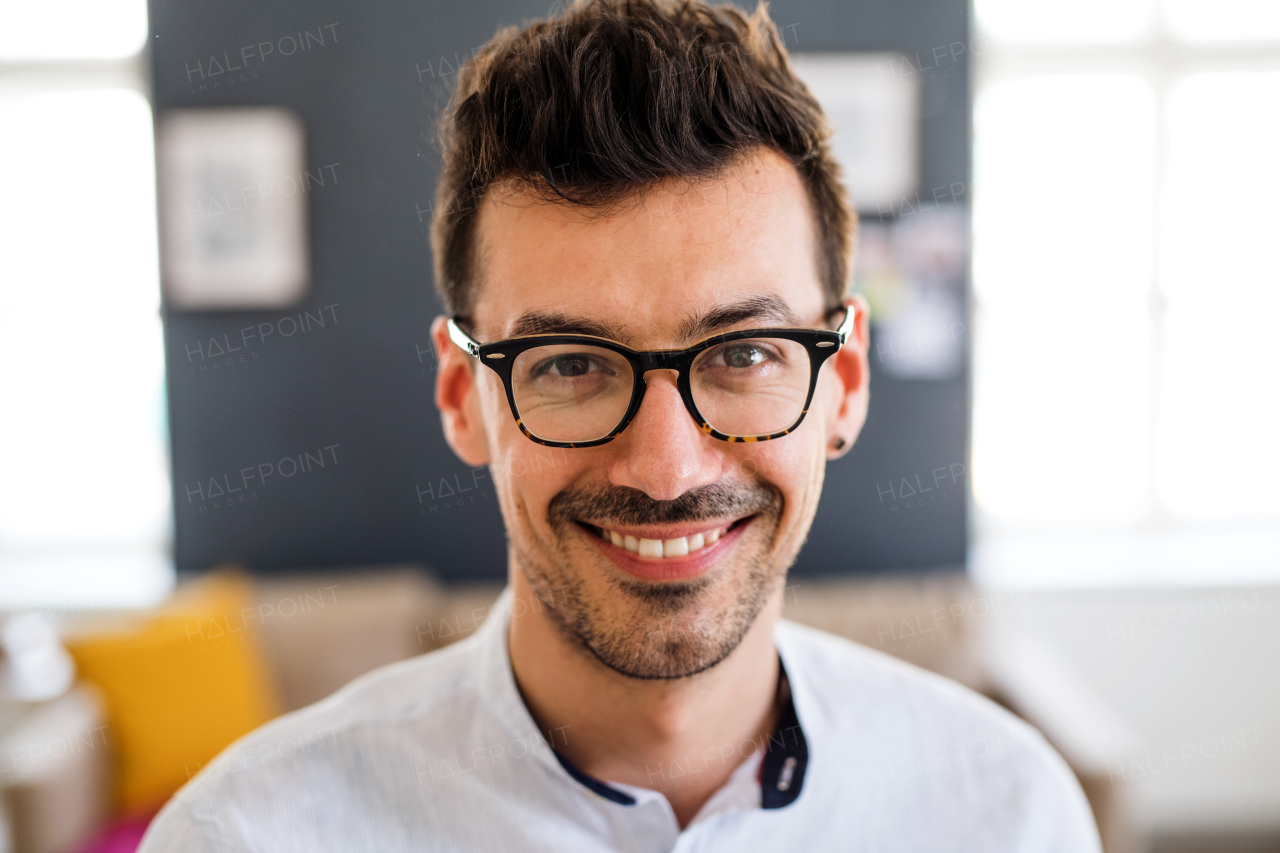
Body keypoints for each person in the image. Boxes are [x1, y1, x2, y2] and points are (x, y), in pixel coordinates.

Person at [141, 1, 1100, 850]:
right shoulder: (244, 834)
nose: (665, 465)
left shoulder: (1006, 812)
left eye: (744, 355)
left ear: (840, 385)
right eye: (570, 365)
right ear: (460, 396)